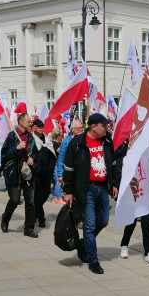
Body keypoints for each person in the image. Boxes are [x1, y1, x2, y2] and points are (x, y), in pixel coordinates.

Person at [62, 113, 118, 275]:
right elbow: (69, 169)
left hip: (102, 188)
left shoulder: (107, 141)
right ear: (94, 126)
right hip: (86, 190)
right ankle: (93, 260)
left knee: (104, 220)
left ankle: (84, 243)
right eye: (104, 125)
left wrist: (113, 183)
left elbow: (112, 164)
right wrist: (69, 191)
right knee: (90, 224)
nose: (107, 128)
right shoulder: (77, 143)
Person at [0, 113, 40, 238]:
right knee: (15, 200)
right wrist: (16, 148)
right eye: (28, 122)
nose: (30, 124)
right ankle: (5, 218)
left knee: (30, 201)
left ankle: (28, 228)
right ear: (21, 122)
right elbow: (4, 154)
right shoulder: (12, 136)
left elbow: (36, 153)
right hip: (14, 173)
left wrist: (33, 158)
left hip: (27, 173)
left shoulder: (30, 137)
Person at [31, 118, 56, 228]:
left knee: (45, 194)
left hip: (46, 172)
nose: (41, 128)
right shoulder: (31, 140)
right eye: (39, 126)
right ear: (34, 128)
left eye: (42, 126)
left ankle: (35, 210)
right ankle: (41, 217)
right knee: (37, 195)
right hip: (36, 173)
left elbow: (52, 156)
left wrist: (50, 169)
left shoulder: (47, 140)